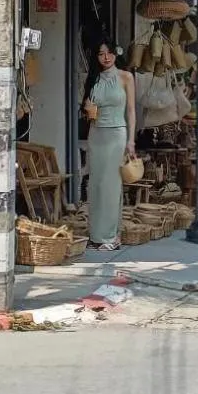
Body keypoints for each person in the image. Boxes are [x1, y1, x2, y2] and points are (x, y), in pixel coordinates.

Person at [82, 39, 135, 251]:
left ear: (115, 54)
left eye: (109, 53)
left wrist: (131, 140)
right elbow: (87, 110)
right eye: (101, 54)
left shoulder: (126, 77)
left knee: (111, 185)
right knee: (95, 184)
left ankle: (112, 236)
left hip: (116, 134)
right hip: (96, 133)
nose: (106, 57)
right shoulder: (93, 78)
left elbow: (131, 111)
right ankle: (96, 234)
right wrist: (87, 108)